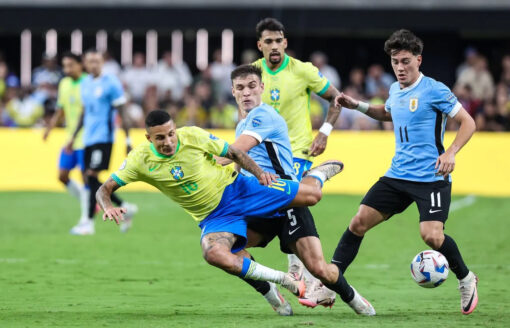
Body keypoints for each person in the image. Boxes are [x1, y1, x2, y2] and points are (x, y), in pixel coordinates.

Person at [95, 109, 344, 307]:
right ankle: (280, 282)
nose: (169, 141)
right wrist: (107, 207)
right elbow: (103, 189)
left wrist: (259, 174)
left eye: (171, 133)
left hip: (239, 189)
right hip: (213, 217)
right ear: (149, 138)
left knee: (312, 196)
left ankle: (316, 174)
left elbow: (234, 152)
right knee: (214, 254)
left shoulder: (193, 135)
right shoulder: (140, 160)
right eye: (160, 138)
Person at [333, 29, 478, 315]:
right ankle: (328, 280)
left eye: (405, 61)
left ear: (419, 60)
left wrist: (450, 153)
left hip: (431, 177)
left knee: (432, 236)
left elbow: (468, 122)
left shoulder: (434, 89)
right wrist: (357, 105)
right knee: (359, 221)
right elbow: (388, 113)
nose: (400, 68)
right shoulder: (395, 90)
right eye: (395, 62)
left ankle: (465, 278)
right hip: (397, 175)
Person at [217, 64, 375, 316]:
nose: (246, 93)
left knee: (320, 269)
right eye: (240, 88)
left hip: (287, 200)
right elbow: (238, 162)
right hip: (259, 204)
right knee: (227, 248)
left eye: (251, 87)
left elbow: (234, 152)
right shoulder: (242, 124)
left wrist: (202, 162)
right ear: (233, 92)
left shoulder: (263, 116)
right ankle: (270, 292)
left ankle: (353, 298)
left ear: (262, 88)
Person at [253, 17, 342, 292]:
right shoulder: (251, 75)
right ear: (260, 45)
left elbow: (336, 98)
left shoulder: (303, 71)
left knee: (291, 201)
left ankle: (300, 268)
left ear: (286, 42)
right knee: (281, 208)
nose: (275, 46)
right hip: (263, 157)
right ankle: (304, 268)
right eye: (268, 41)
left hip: (297, 152)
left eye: (279, 40)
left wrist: (324, 132)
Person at [66, 49, 137, 235]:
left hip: (104, 138)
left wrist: (128, 139)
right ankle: (125, 206)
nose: (94, 64)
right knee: (92, 178)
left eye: (97, 61)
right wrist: (73, 138)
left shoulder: (111, 83)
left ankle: (88, 223)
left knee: (90, 177)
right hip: (88, 138)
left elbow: (123, 112)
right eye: (90, 61)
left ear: (102, 63)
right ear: (86, 64)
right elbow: (84, 113)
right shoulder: (85, 84)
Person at [43, 52, 89, 225]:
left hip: (86, 138)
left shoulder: (88, 83)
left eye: (70, 65)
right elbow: (61, 109)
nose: (66, 69)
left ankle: (86, 218)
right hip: (70, 138)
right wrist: (50, 127)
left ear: (80, 65)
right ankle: (90, 202)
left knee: (86, 178)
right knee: (62, 176)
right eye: (64, 66)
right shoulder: (64, 83)